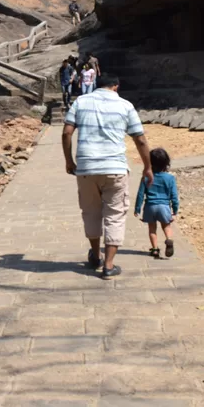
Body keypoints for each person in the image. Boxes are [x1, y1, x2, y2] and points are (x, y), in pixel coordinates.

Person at [63, 73, 153, 279]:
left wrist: (69, 161)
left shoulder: (80, 102)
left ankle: (95, 256)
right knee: (114, 215)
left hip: (86, 169)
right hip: (115, 168)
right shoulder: (125, 105)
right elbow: (140, 139)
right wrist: (147, 167)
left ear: (96, 85)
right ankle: (109, 265)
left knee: (91, 212)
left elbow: (67, 133)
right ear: (116, 86)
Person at [134, 147, 180, 259]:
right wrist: (175, 209)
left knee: (152, 229)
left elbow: (140, 194)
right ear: (166, 163)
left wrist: (137, 209)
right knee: (166, 226)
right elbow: (174, 196)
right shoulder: (170, 178)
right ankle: (169, 239)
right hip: (164, 207)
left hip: (150, 206)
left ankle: (154, 249)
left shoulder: (145, 177)